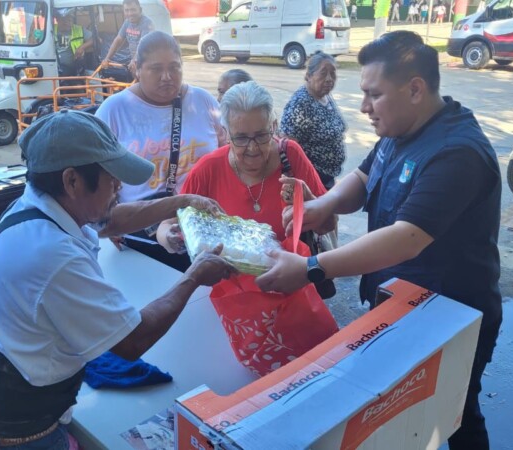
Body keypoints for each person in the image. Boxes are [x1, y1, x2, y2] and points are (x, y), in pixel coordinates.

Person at [255, 31, 502, 450]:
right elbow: (364, 177)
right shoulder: (401, 127)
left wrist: (312, 269)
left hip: (449, 315)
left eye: (374, 94)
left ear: (415, 89)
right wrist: (322, 205)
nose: (364, 107)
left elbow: (406, 238)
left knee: (455, 411)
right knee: (397, 411)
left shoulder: (456, 152)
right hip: (397, 305)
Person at [0, 110, 236, 450]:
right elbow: (132, 341)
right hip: (10, 438)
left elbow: (108, 222)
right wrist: (195, 275)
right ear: (72, 180)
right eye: (112, 177)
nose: (120, 187)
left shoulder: (39, 204)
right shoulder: (52, 255)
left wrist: (183, 202)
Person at [155, 81, 331, 374]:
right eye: (240, 139)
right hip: (235, 312)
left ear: (274, 125)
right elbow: (169, 221)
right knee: (241, 381)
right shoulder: (208, 170)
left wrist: (309, 203)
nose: (252, 149)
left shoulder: (292, 157)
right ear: (225, 134)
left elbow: (328, 224)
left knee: (303, 379)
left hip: (294, 303)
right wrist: (167, 236)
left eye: (262, 136)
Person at [95, 31, 225, 271]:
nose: (167, 77)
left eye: (174, 67)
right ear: (136, 68)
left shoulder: (204, 102)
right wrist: (107, 217)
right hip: (139, 232)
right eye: (156, 69)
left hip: (204, 224)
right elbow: (97, 174)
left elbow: (228, 153)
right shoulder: (113, 110)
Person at [280, 52, 347, 190]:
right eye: (323, 74)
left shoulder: (325, 96)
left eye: (333, 74)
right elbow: (288, 149)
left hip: (327, 178)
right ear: (308, 76)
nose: (329, 79)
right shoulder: (301, 103)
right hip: (311, 180)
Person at [102, 0, 155, 76]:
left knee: (145, 85)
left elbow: (143, 45)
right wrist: (107, 58)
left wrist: (134, 60)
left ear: (140, 9)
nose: (130, 13)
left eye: (133, 10)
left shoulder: (147, 23)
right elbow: (118, 39)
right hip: (136, 62)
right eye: (127, 10)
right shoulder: (127, 22)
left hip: (148, 62)